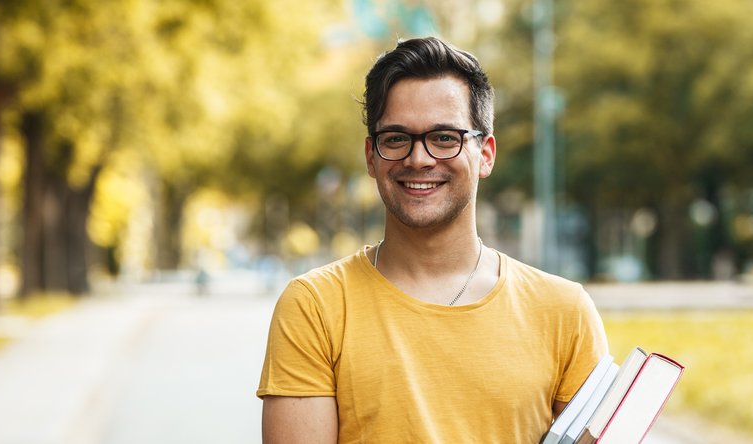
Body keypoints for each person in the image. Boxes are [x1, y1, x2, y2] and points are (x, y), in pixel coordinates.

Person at [257, 36, 609, 443]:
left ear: (486, 154)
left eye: (445, 137)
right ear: (371, 157)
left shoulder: (564, 312)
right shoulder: (315, 307)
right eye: (396, 139)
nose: (418, 159)